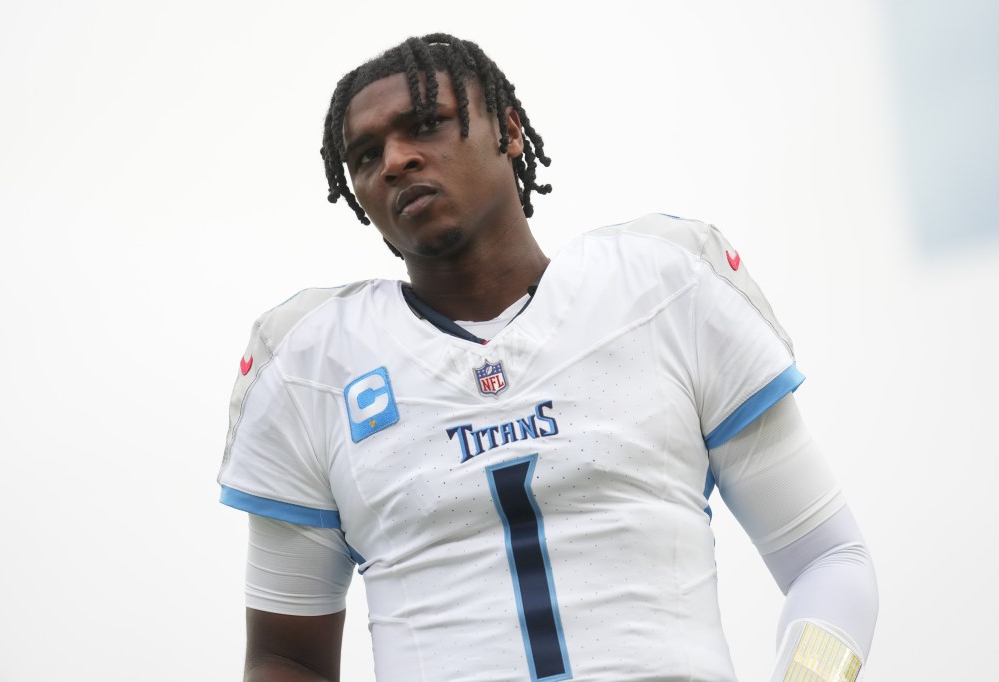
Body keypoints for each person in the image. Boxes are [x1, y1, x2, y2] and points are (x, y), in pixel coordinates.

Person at [217, 33, 878, 682]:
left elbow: (829, 560)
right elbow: (285, 659)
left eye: (426, 124)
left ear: (508, 131)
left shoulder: (666, 291)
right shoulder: (308, 369)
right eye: (365, 155)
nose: (395, 160)